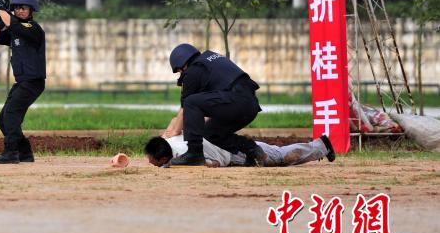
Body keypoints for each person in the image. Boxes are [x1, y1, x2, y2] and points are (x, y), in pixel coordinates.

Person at [165, 43, 265, 167]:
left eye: (179, 71)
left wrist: (174, 131)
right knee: (211, 133)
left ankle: (194, 153)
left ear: (183, 65)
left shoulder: (193, 71)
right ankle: (252, 150)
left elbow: (186, 107)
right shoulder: (211, 59)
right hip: (250, 106)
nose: (180, 74)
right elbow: (212, 103)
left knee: (190, 101)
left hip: (235, 102)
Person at [0, 0, 46, 164]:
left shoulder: (33, 28)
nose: (20, 10)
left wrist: (1, 8)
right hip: (22, 82)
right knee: (3, 119)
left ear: (31, 10)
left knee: (11, 114)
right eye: (17, 7)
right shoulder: (16, 29)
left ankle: (11, 153)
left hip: (33, 81)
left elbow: (14, 25)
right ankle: (25, 152)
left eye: (24, 8)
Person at [144, 134, 337, 168]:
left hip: (235, 153)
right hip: (228, 145)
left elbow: (214, 164)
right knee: (278, 155)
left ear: (165, 158)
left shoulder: (186, 154)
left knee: (279, 157)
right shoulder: (169, 142)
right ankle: (319, 146)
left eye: (154, 161)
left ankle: (321, 145)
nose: (150, 162)